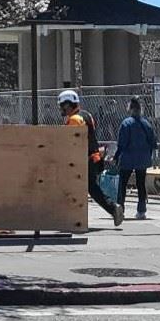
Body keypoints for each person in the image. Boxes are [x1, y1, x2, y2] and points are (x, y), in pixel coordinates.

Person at [59, 90, 123, 228]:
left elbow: (72, 142)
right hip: (93, 158)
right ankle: (113, 209)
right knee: (91, 188)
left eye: (62, 105)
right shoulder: (86, 115)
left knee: (74, 187)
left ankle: (73, 217)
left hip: (83, 160)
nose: (61, 109)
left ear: (68, 104)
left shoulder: (74, 120)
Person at [115, 96, 158, 219]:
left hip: (127, 158)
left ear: (130, 108)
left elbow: (121, 143)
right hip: (143, 158)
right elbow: (153, 143)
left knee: (122, 184)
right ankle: (141, 210)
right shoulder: (146, 124)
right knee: (141, 184)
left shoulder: (126, 123)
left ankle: (120, 208)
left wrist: (116, 156)